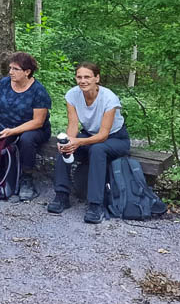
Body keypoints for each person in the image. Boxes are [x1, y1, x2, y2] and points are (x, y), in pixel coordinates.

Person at [47, 61, 130, 224]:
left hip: (116, 138)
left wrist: (78, 141)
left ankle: (95, 205)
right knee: (65, 147)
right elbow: (73, 125)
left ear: (96, 78)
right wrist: (69, 141)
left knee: (98, 150)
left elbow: (103, 135)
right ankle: (62, 195)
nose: (83, 81)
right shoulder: (72, 95)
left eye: (87, 77)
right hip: (88, 136)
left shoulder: (109, 98)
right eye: (79, 77)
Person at [0, 52, 52, 204]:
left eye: (16, 69)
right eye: (10, 68)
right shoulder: (3, 84)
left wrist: (13, 131)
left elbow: (38, 121)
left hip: (33, 129)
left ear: (27, 72)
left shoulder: (39, 91)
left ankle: (27, 179)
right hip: (5, 125)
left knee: (26, 140)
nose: (10, 72)